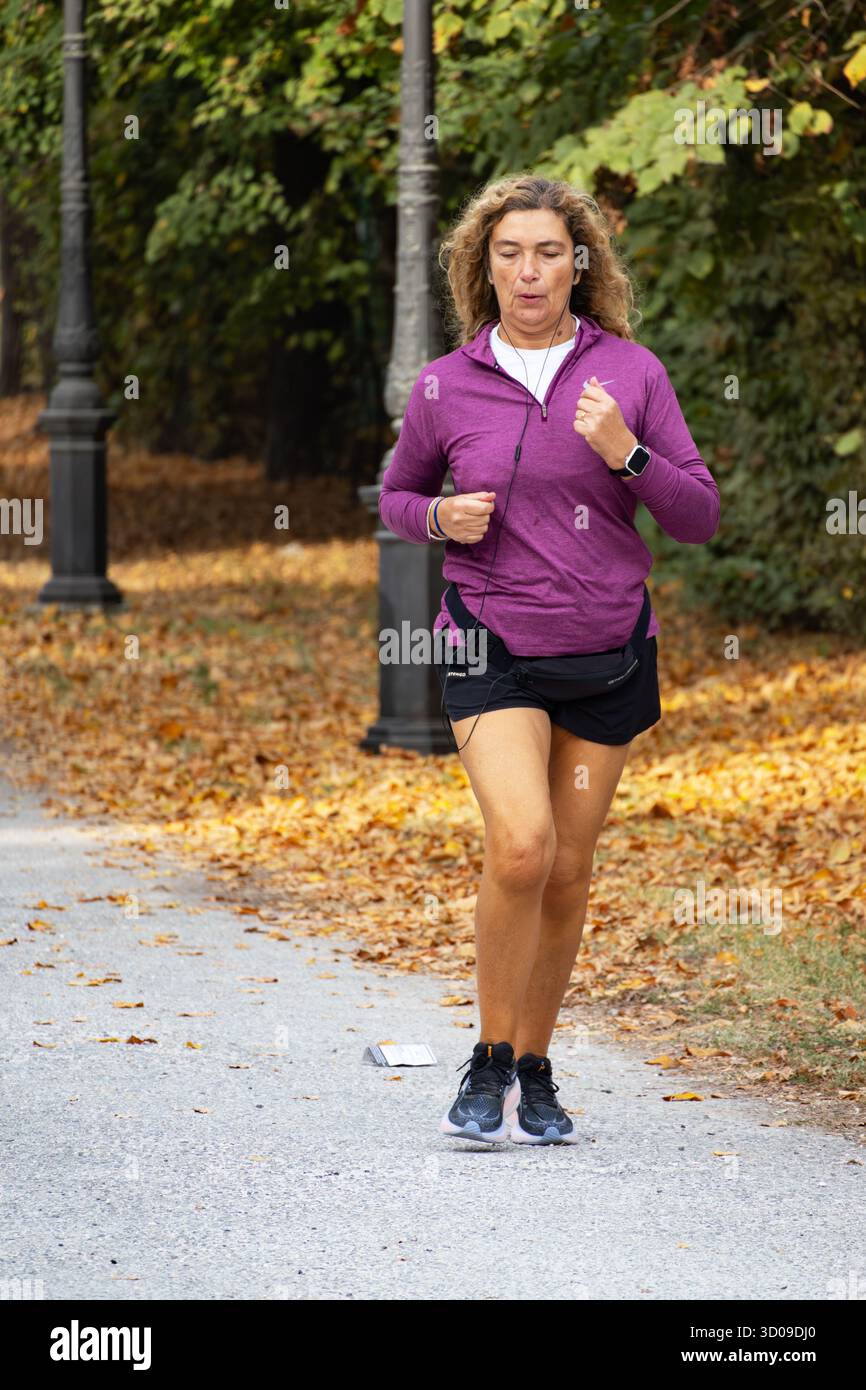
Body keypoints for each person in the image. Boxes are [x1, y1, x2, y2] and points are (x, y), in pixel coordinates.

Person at [378, 175, 720, 1145]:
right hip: (491, 644)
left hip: (606, 653)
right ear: (481, 267)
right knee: (522, 844)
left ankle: (535, 1062)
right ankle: (485, 1059)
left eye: (546, 252)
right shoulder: (448, 383)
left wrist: (626, 453)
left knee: (567, 871)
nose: (527, 271)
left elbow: (695, 515)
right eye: (507, 253)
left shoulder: (632, 375)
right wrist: (438, 515)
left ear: (579, 263)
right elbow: (395, 497)